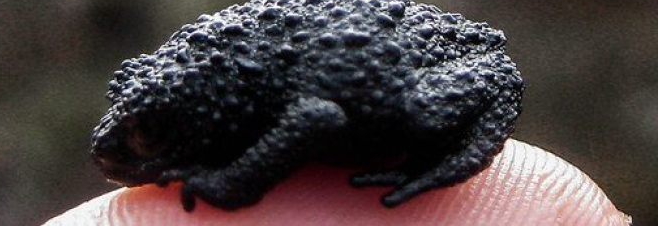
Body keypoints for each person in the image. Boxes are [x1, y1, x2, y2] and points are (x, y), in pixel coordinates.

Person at [44, 140, 630, 225]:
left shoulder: (230, 112)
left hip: (399, 63)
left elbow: (319, 116)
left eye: (148, 137)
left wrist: (236, 180)